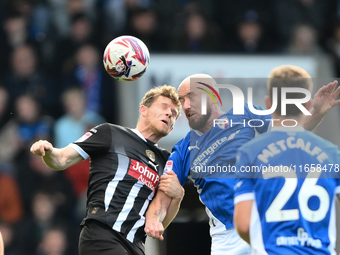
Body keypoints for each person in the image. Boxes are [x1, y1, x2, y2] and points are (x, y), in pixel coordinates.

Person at [145, 73, 340, 254]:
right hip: (227, 238)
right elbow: (165, 194)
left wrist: (317, 111)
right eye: (181, 101)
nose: (186, 106)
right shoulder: (183, 149)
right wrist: (154, 219)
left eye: (191, 97)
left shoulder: (245, 114)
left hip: (266, 221)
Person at [30, 85, 184, 255]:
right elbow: (62, 159)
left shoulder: (166, 161)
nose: (170, 114)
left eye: (174, 114)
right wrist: (48, 152)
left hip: (136, 246)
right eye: (164, 107)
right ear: (143, 110)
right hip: (102, 234)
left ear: (171, 129)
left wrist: (177, 197)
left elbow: (158, 223)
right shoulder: (110, 133)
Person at [233, 65, 340, 254]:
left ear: (268, 104)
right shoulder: (331, 153)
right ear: (307, 105)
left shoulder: (250, 152)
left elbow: (243, 225)